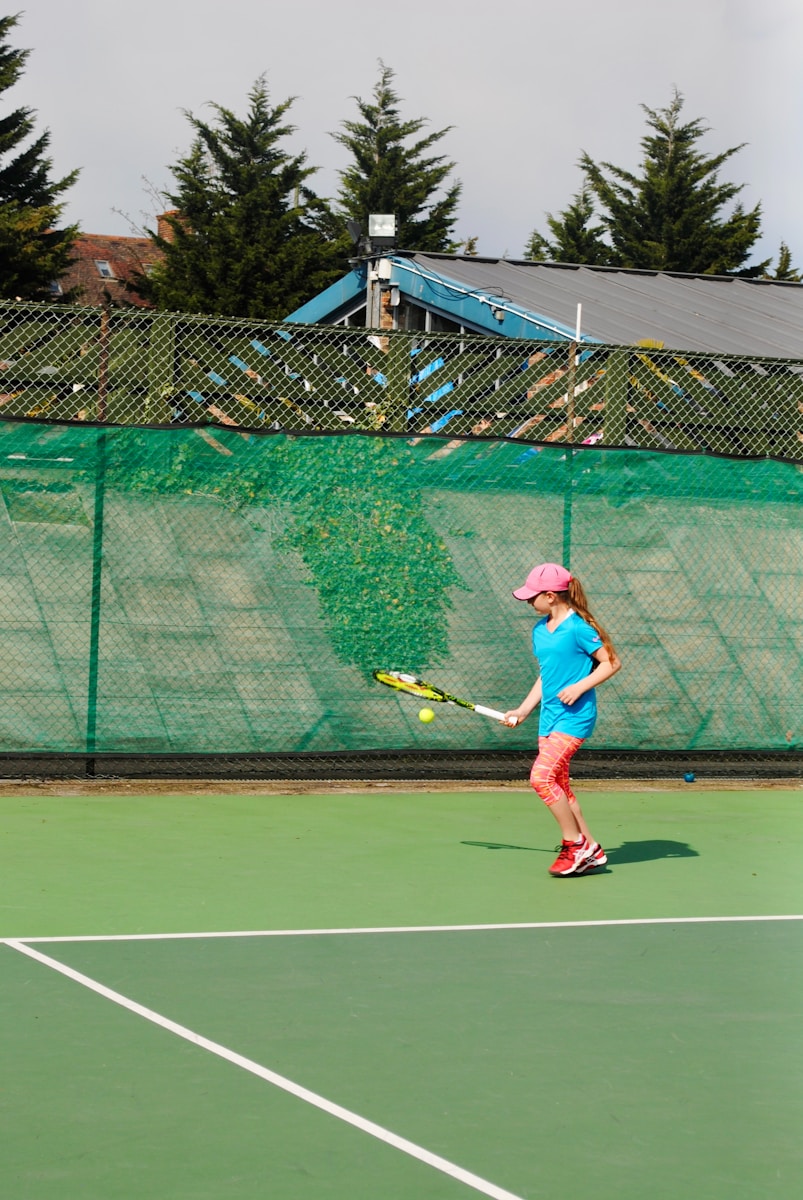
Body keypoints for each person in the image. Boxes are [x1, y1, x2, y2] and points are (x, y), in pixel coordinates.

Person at [504, 563, 621, 877]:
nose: (529, 601)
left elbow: (611, 662)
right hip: (549, 719)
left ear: (551, 596)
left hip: (576, 718)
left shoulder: (579, 627)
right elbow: (546, 675)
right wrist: (523, 709)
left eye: (533, 597)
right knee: (560, 786)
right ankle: (592, 849)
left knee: (540, 779)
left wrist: (580, 686)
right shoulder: (540, 630)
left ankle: (574, 843)